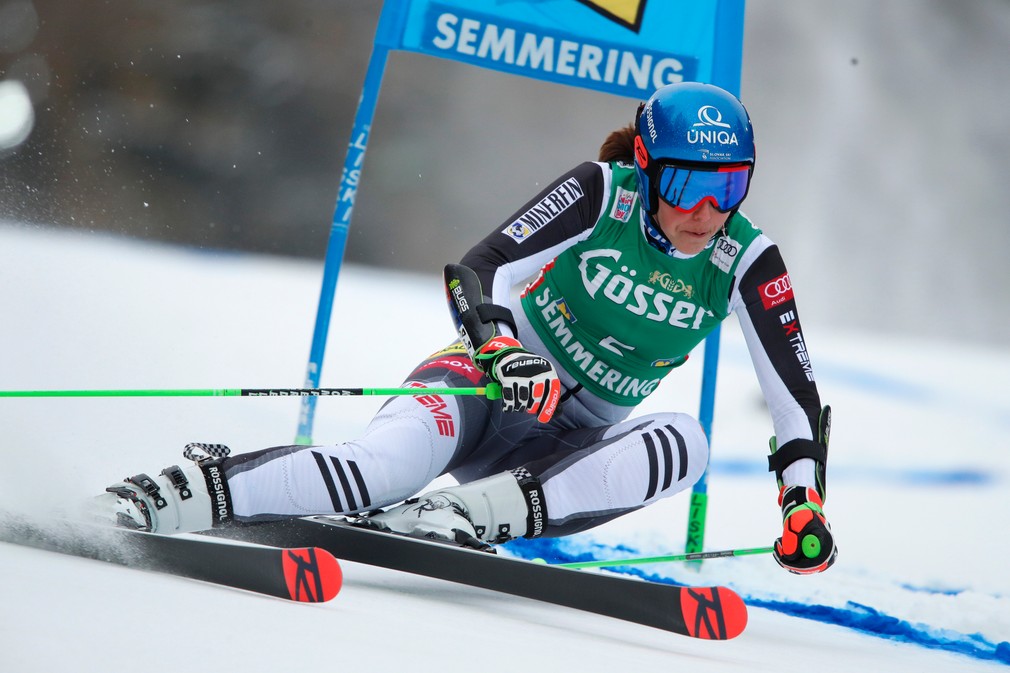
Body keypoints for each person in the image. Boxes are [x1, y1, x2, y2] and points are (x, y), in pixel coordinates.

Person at [98, 82, 837, 575]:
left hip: (563, 455)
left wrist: (802, 502)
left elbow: (794, 395)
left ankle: (458, 515)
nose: (706, 211)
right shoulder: (599, 193)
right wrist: (504, 351)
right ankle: (181, 490)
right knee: (375, 470)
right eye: (686, 183)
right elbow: (478, 269)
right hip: (481, 386)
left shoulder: (747, 256)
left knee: (688, 443)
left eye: (729, 185)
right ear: (646, 167)